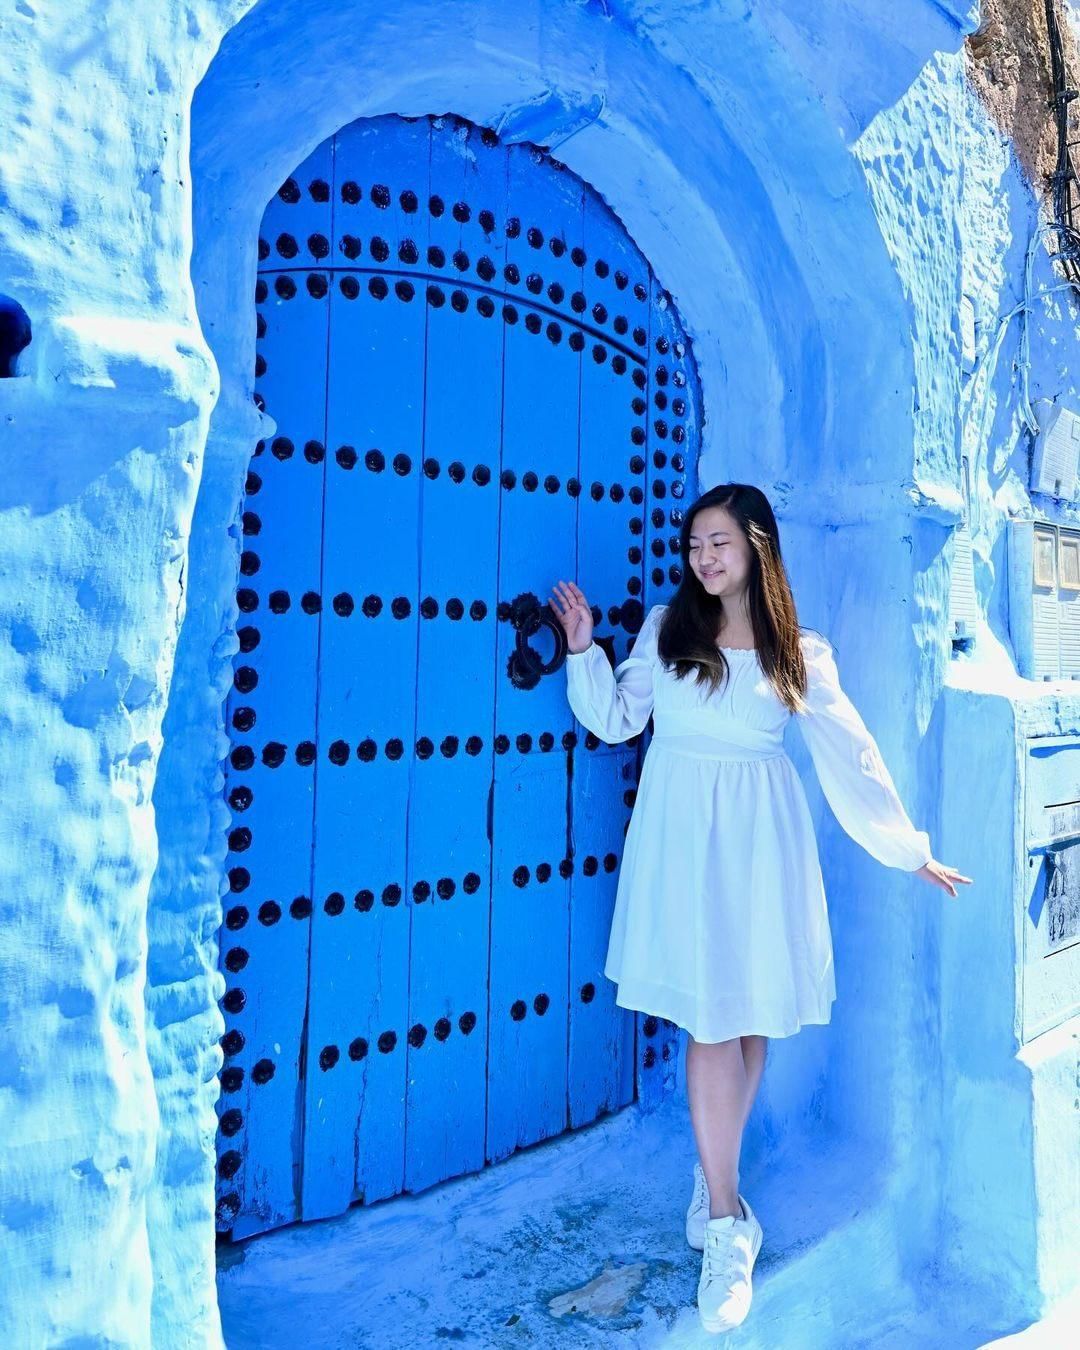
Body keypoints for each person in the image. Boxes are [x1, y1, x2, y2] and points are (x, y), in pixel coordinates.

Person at [550, 482, 971, 1335]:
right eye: (695, 544)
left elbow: (851, 754)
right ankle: (728, 1221)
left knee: (749, 1020)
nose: (703, 558)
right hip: (683, 841)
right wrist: (583, 650)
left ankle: (716, 1175)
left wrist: (908, 848)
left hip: (760, 845)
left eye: (720, 543)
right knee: (710, 1023)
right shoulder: (667, 629)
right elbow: (618, 719)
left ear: (756, 547)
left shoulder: (796, 651)